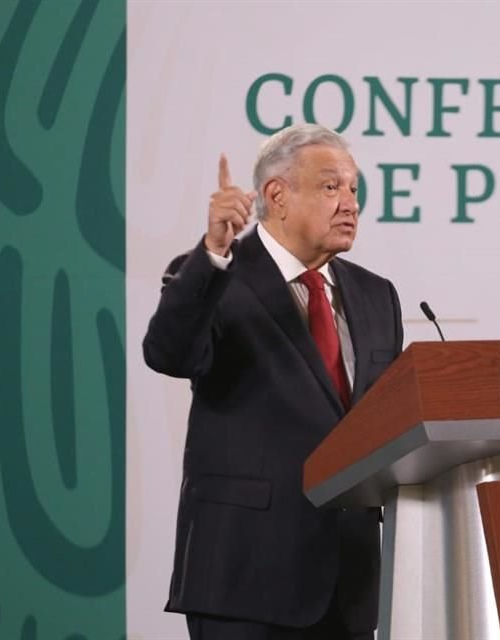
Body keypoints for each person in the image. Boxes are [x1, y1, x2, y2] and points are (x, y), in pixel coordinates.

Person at [143, 123, 403, 640]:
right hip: (244, 578)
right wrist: (213, 253)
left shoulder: (378, 296)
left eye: (353, 189)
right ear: (277, 195)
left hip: (349, 584)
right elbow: (168, 352)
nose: (349, 203)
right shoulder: (219, 277)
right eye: (331, 187)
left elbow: (385, 423)